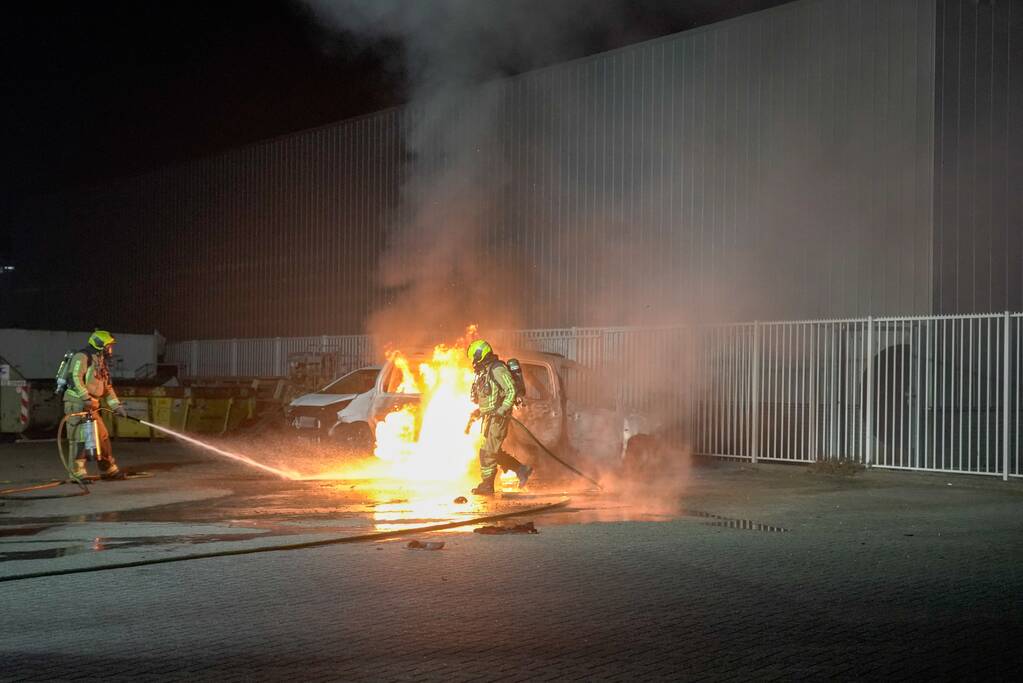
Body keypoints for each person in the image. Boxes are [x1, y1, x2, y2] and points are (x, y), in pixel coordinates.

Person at [467, 339, 532, 495]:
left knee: (488, 452)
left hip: (499, 417)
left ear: (480, 354)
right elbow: (490, 399)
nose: (473, 361)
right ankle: (521, 469)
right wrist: (478, 412)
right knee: (491, 450)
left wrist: (503, 409)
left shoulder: (497, 369)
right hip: (490, 417)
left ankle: (487, 485)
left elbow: (510, 389)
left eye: (474, 357)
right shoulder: (486, 371)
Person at [64, 330, 128, 480]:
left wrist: (116, 406)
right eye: (109, 346)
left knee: (102, 435)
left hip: (92, 404)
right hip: (76, 403)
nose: (111, 349)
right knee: (80, 437)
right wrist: (85, 397)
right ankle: (77, 472)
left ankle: (108, 468)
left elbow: (107, 387)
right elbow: (74, 377)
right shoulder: (82, 356)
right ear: (100, 345)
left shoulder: (100, 362)